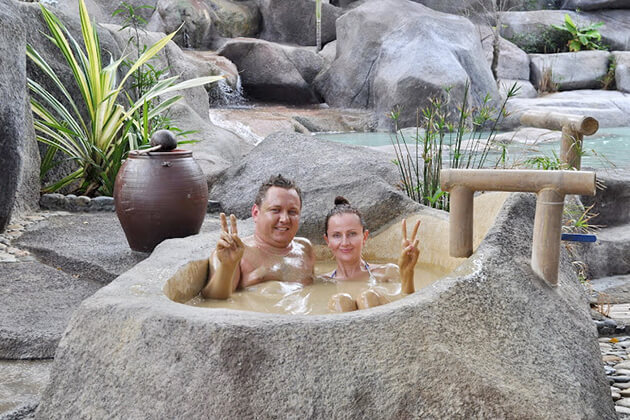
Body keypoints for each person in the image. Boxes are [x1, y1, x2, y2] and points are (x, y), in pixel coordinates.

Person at [201, 175, 315, 299]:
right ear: (256, 213)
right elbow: (213, 300)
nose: (284, 219)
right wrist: (227, 266)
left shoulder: (304, 248)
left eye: (292, 212)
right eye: (275, 210)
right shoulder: (234, 251)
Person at [323, 196, 420, 312]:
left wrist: (407, 273)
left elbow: (410, 312)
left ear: (364, 237)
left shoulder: (388, 273)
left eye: (352, 234)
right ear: (327, 240)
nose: (345, 243)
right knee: (340, 301)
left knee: (369, 298)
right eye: (336, 235)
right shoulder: (322, 283)